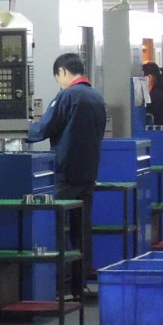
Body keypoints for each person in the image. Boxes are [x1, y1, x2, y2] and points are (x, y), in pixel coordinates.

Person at [26, 53, 107, 295]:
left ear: (62, 71)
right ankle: (79, 285)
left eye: (57, 77)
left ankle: (56, 285)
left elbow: (44, 128)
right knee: (82, 231)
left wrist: (18, 129)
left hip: (65, 173)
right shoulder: (96, 97)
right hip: (88, 174)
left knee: (54, 226)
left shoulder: (68, 95)